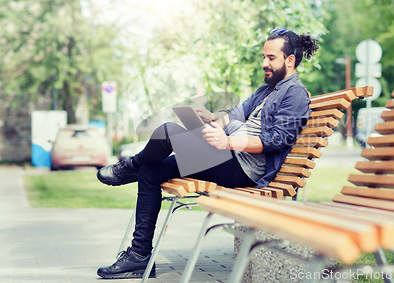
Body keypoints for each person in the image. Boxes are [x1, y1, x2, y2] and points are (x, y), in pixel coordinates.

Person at [96, 28, 319, 279]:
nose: (263, 63)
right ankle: (139, 257)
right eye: (263, 57)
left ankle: (129, 167)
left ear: (289, 60)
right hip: (227, 155)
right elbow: (236, 113)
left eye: (271, 58)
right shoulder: (266, 90)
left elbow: (278, 139)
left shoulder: (295, 94)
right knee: (151, 171)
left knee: (168, 132)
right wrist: (213, 119)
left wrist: (228, 142)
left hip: (243, 168)